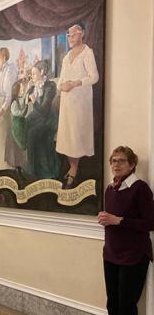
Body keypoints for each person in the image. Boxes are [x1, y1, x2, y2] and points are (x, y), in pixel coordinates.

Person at [98, 146, 154, 315]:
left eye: (121, 160)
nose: (116, 164)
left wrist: (119, 220)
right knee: (112, 304)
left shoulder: (140, 188)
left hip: (134, 256)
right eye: (114, 161)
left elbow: (151, 223)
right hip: (111, 254)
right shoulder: (110, 189)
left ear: (132, 164)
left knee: (126, 307)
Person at [56, 23, 99, 188]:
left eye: (73, 34)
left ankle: (74, 169)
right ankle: (72, 167)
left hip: (80, 103)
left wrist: (75, 83)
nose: (70, 38)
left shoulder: (88, 53)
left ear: (82, 34)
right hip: (67, 104)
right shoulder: (67, 57)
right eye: (68, 35)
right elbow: (60, 80)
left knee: (76, 137)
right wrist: (62, 86)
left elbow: (94, 77)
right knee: (67, 137)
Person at [25, 60, 59, 179]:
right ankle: (35, 166)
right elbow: (25, 100)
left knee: (31, 133)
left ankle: (33, 170)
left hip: (48, 119)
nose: (32, 76)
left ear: (42, 72)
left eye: (34, 74)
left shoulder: (50, 86)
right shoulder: (34, 86)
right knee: (25, 124)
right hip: (38, 117)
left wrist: (34, 100)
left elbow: (44, 109)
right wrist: (28, 90)